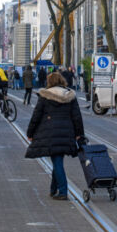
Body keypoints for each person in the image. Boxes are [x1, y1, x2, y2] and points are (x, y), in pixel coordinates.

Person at [26, 72, 84, 201]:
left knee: (57, 162)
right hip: (66, 133)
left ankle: (63, 191)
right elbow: (77, 116)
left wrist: (30, 133)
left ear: (49, 82)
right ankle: (53, 189)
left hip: (50, 133)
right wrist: (79, 134)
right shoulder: (70, 96)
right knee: (57, 160)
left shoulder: (45, 96)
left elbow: (36, 116)